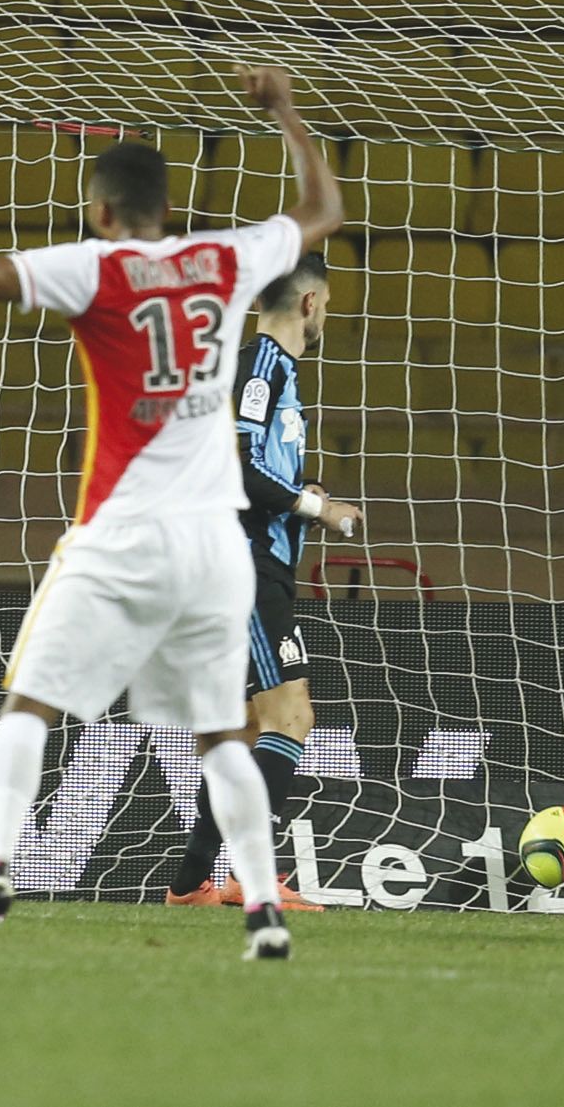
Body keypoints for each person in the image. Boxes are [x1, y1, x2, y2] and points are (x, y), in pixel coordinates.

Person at [0, 66, 344, 960]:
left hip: (119, 532)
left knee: (29, 705)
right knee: (225, 726)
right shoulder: (223, 259)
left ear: (102, 212)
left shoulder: (93, 269)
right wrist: (287, 113)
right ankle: (261, 910)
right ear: (167, 207)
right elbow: (322, 209)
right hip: (218, 542)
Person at [165, 254, 362, 911]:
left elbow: (258, 472)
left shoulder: (270, 371)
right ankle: (253, 877)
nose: (326, 313)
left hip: (256, 562)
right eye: (326, 302)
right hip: (243, 563)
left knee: (249, 729)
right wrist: (317, 507)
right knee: (289, 715)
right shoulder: (261, 368)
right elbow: (237, 469)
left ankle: (190, 882)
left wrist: (295, 491)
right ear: (309, 304)